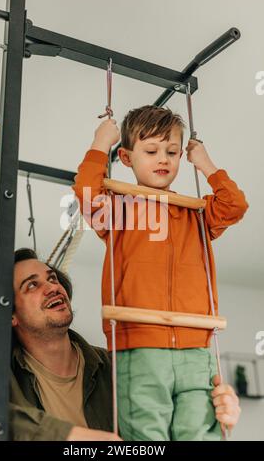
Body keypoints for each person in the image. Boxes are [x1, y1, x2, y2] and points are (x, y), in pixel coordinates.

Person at [73, 105, 248, 441]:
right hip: (139, 346)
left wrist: (207, 164)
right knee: (147, 437)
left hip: (196, 348)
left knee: (201, 434)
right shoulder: (122, 208)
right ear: (125, 158)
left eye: (172, 152)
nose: (163, 159)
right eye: (151, 151)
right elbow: (86, 195)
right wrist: (100, 144)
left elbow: (235, 205)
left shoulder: (196, 214)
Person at [0, 249, 241, 441]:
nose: (52, 287)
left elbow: (162, 427)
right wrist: (71, 437)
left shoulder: (117, 365)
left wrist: (214, 415)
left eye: (51, 278)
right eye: (31, 286)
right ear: (9, 314)